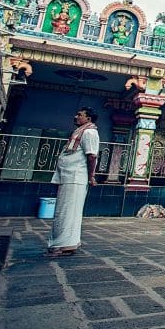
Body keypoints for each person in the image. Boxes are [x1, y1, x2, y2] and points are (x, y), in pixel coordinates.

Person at [46, 107, 99, 257]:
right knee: (66, 210)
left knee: (67, 211)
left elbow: (92, 156)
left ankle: (61, 245)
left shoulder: (89, 132)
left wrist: (91, 176)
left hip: (76, 176)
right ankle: (67, 243)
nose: (76, 117)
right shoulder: (81, 131)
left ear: (88, 119)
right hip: (69, 176)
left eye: (80, 115)